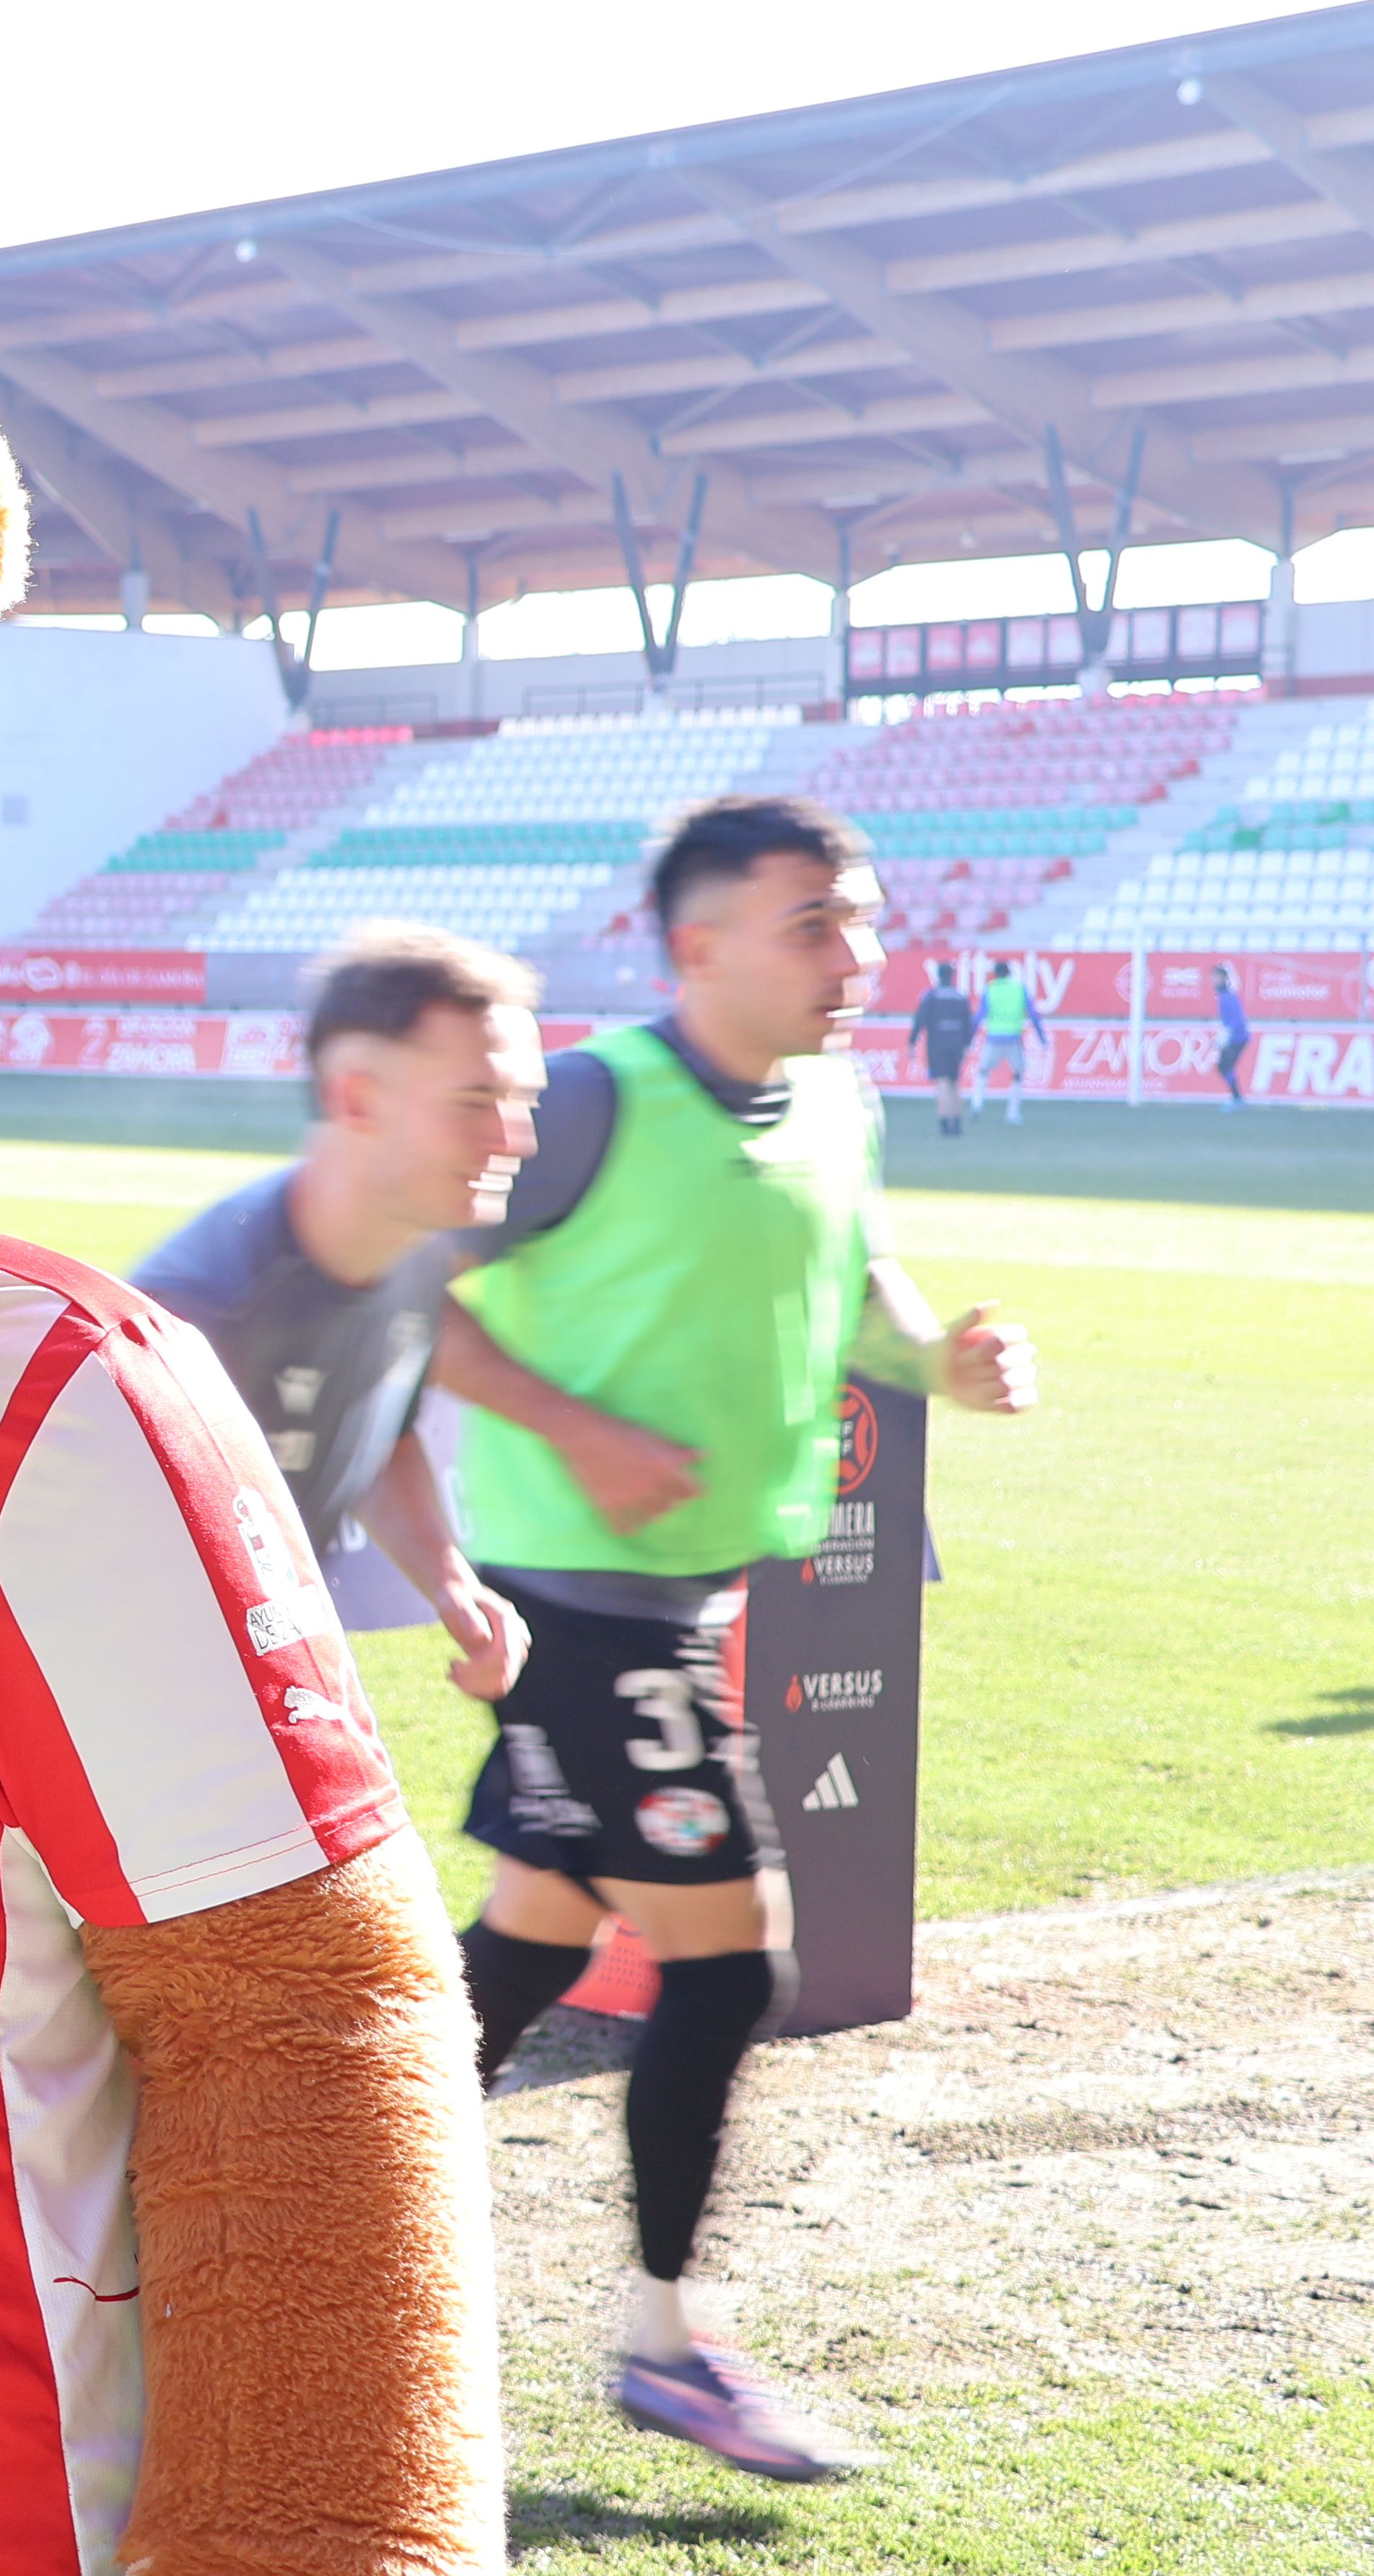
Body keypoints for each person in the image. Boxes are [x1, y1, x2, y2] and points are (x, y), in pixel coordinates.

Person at [434, 795, 1036, 2484]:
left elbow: (864, 1290)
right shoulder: (593, 1104)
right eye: (812, 924)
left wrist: (947, 1363)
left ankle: (280, 2210)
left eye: (859, 918)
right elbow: (421, 1293)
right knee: (725, 1962)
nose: (856, 955)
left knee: (527, 1949)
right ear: (696, 943)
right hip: (583, 1611)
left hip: (684, 1602)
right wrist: (594, 1435)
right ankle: (668, 2343)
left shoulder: (835, 1100)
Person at [134, 922, 541, 1702]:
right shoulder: (195, 1321)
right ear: (355, 1096)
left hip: (269, 1691)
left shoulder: (414, 1255)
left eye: (523, 1100)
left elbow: (377, 1432)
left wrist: (451, 1582)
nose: (516, 1138)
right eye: (477, 1100)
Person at [967, 951, 1047, 1123]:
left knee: (982, 1071)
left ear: (995, 973)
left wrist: (970, 1038)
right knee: (1017, 1074)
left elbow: (979, 1016)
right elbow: (1034, 1015)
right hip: (1014, 1039)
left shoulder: (990, 989)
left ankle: (977, 1105)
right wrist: (1042, 1038)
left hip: (994, 1038)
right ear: (1010, 973)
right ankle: (1013, 1113)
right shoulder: (1019, 989)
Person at [907, 956, 976, 1138]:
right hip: (957, 1044)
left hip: (938, 1043)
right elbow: (969, 1024)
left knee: (943, 1083)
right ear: (952, 976)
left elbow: (919, 1021)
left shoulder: (932, 997)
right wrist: (967, 1044)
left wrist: (912, 1042)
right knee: (955, 1083)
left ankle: (945, 1124)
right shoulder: (960, 997)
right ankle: (957, 1124)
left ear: (938, 976)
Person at [1215, 962, 1254, 1109]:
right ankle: (1237, 1098)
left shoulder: (1228, 995)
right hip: (1233, 1037)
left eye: (1217, 977)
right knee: (1224, 1067)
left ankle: (1237, 1099)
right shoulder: (1222, 995)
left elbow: (1237, 1019)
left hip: (1238, 1038)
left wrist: (1226, 1035)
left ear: (1224, 978)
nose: (1214, 980)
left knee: (1225, 1066)